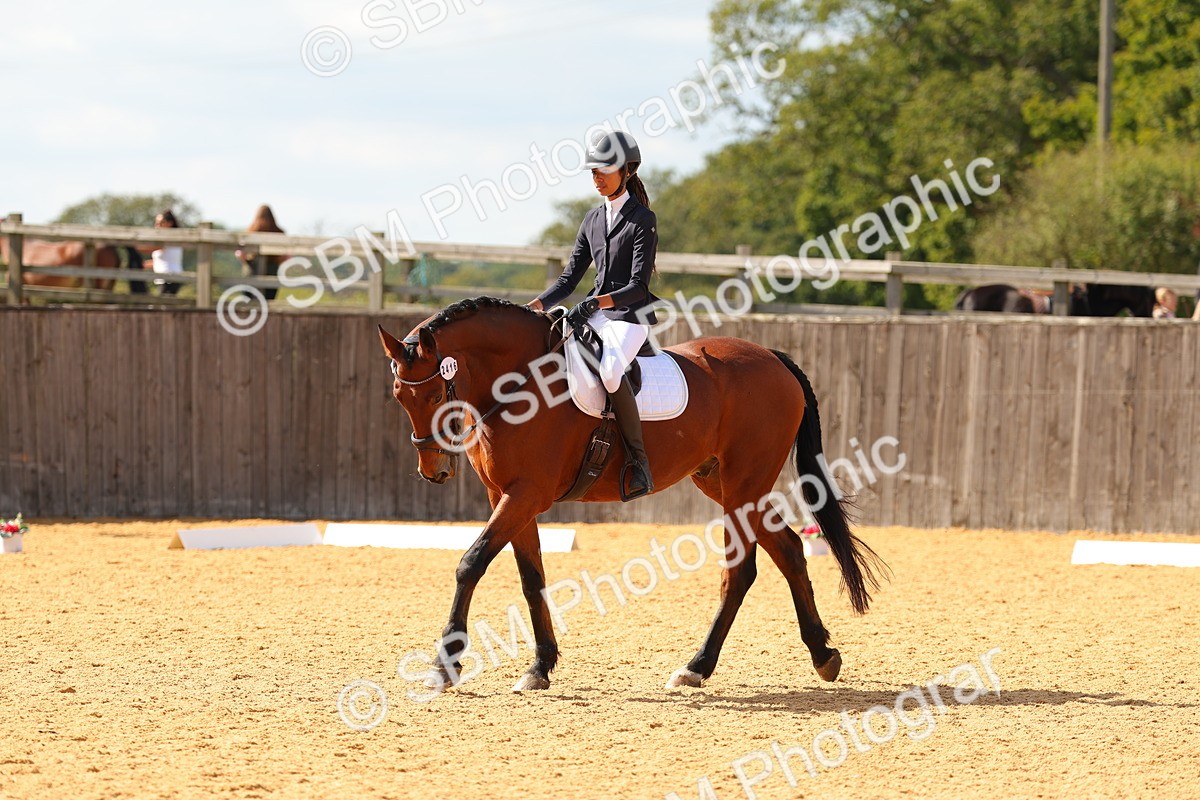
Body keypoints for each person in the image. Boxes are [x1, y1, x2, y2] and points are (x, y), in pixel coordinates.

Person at [527, 131, 658, 500]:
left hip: (629, 317)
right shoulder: (591, 219)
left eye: (604, 169)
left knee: (611, 370)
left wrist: (597, 303)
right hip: (595, 314)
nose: (597, 176)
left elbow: (638, 286)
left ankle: (639, 460)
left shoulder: (641, 220)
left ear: (627, 171)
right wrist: (534, 307)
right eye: (593, 171)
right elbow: (569, 279)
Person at [235, 205, 284, 300]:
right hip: (272, 271)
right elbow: (286, 255)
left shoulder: (250, 232)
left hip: (252, 270)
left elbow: (240, 253)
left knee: (248, 303)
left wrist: (247, 261)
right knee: (268, 304)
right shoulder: (279, 232)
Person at [139, 210, 183, 295]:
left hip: (169, 279)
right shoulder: (171, 239)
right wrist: (144, 265)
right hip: (167, 279)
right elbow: (161, 261)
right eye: (156, 223)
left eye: (161, 223)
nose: (157, 226)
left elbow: (150, 249)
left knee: (160, 306)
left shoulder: (167, 239)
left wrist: (132, 246)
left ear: (170, 224)